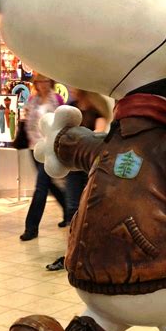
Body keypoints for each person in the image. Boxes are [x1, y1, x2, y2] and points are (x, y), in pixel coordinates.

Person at [46, 89, 112, 270]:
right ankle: (72, 252)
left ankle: (89, 251)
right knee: (73, 209)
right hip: (74, 167)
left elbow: (99, 132)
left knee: (91, 208)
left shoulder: (95, 108)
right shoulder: (72, 108)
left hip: (91, 166)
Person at [19, 74, 66, 241]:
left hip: (50, 148)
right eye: (40, 81)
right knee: (48, 184)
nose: (43, 84)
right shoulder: (33, 101)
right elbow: (28, 122)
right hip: (34, 147)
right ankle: (69, 210)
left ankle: (31, 227)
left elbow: (63, 123)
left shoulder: (57, 100)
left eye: (46, 81)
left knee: (40, 187)